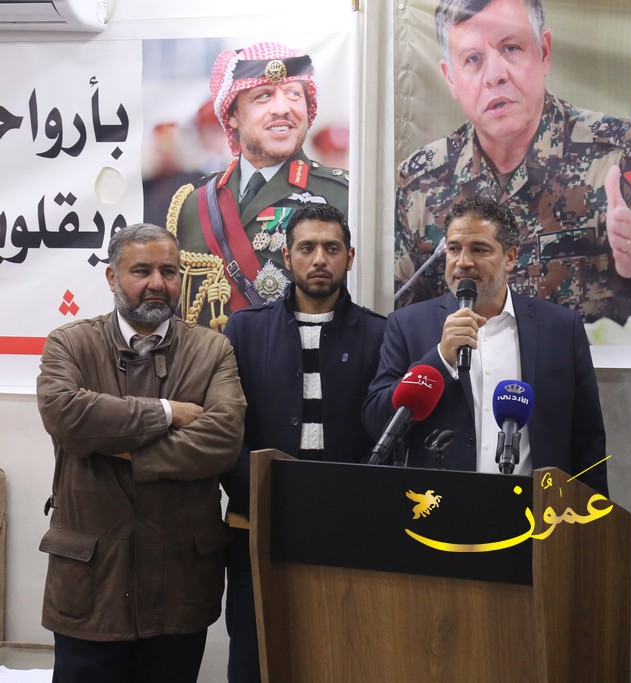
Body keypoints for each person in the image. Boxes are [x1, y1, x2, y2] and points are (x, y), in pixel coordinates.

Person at [395, 0, 631, 339]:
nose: (495, 75)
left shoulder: (617, 154)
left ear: (544, 53)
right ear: (450, 78)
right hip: (464, 369)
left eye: (511, 48)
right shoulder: (420, 182)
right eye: (473, 59)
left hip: (593, 370)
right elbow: (389, 310)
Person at [35, 223, 246, 683]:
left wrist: (127, 452)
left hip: (179, 589)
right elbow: (66, 415)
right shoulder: (70, 343)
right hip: (91, 589)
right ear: (112, 277)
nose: (157, 283)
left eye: (168, 271)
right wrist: (167, 412)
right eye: (141, 271)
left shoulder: (212, 350)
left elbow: (224, 440)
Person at [219, 204, 385, 683]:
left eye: (331, 248)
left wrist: (348, 500)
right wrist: (260, 493)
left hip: (348, 529)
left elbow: (386, 436)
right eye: (307, 248)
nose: (319, 259)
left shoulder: (379, 333)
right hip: (258, 525)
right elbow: (227, 432)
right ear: (287, 257)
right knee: (255, 656)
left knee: (342, 655)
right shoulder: (246, 330)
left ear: (350, 257)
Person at [364, 196, 607, 494]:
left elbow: (588, 437)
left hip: (536, 510)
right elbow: (377, 421)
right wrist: (440, 358)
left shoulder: (560, 328)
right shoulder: (407, 324)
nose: (463, 262)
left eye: (479, 249)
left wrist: (594, 514)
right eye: (454, 249)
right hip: (438, 507)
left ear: (510, 257)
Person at [167, 41, 350, 331]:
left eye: (294, 94)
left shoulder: (344, 195)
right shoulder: (193, 203)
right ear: (232, 115)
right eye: (264, 96)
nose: (283, 109)